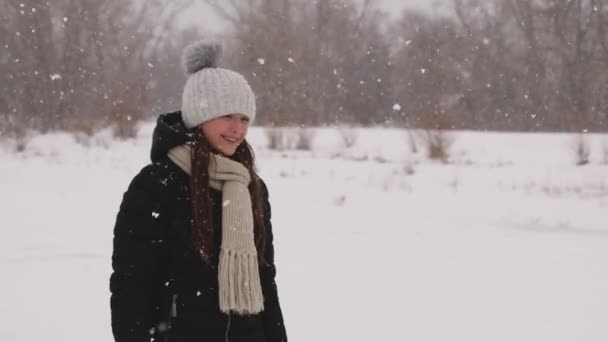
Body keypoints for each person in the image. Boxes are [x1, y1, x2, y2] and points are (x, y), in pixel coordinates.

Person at [109, 41, 288, 342]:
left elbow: (264, 278)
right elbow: (131, 284)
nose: (237, 129)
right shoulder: (156, 184)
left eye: (244, 118)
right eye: (227, 116)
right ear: (199, 117)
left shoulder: (250, 186)